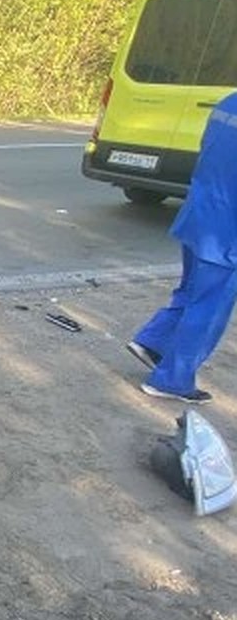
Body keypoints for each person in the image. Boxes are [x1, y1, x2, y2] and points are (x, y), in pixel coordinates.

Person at [129, 89, 237, 404]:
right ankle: (171, 381)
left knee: (191, 291)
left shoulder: (228, 101)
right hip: (227, 233)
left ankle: (153, 342)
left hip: (200, 213)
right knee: (209, 307)